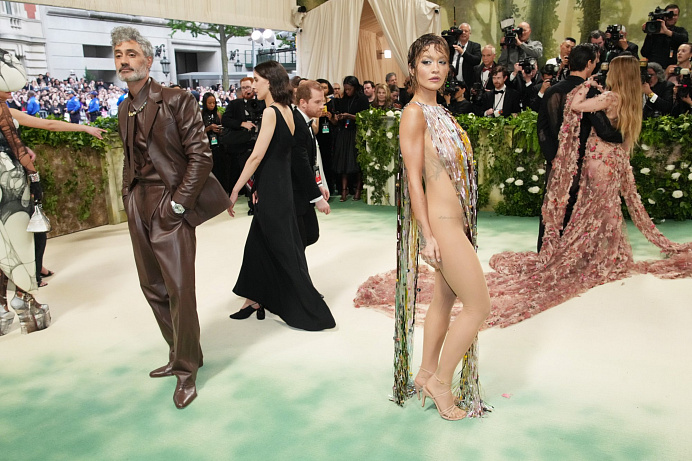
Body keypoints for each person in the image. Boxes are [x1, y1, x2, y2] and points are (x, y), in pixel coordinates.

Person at [486, 55, 692, 328]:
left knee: (594, 211)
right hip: (614, 161)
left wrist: (586, 87)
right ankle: (603, 255)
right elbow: (620, 137)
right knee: (606, 210)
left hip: (598, 161)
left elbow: (576, 105)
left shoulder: (610, 97)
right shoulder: (633, 99)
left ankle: (590, 256)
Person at [111, 26, 230, 409]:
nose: (124, 60)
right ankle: (181, 352)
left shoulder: (176, 99)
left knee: (179, 288)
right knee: (152, 286)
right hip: (138, 202)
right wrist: (128, 197)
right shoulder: (124, 107)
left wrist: (178, 204)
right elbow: (130, 158)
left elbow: (201, 156)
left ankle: (186, 371)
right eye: (118, 54)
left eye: (131, 53)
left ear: (148, 60)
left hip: (169, 201)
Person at [397, 33, 490, 420]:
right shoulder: (414, 113)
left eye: (441, 61)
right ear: (412, 68)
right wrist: (427, 234)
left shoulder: (442, 111)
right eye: (426, 61)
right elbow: (413, 179)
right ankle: (441, 382)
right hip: (441, 224)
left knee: (445, 300)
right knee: (479, 306)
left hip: (456, 222)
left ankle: (425, 373)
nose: (435, 69)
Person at [227, 60, 335, 332]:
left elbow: (257, 157)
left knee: (284, 250)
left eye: (257, 80)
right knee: (258, 245)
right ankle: (254, 299)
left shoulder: (271, 112)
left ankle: (309, 310)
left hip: (275, 191)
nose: (253, 85)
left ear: (270, 81)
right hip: (278, 188)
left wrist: (236, 188)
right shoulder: (287, 110)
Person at [536, 44, 623, 251]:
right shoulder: (588, 92)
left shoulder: (552, 90)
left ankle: (547, 252)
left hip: (556, 161)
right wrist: (622, 135)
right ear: (589, 63)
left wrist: (553, 157)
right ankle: (571, 256)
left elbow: (542, 129)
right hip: (582, 161)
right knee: (576, 207)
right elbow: (603, 129)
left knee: (553, 205)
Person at [9, 107, 106, 288]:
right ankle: (31, 272)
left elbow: (47, 125)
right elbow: (49, 125)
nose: (11, 93)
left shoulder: (8, 111)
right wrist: (85, 128)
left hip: (19, 175)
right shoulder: (7, 112)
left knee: (33, 223)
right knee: (28, 226)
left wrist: (23, 148)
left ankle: (35, 267)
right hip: (10, 180)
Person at [0, 49, 51, 336]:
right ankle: (26, 301)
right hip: (10, 183)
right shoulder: (2, 110)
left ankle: (2, 308)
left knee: (2, 246)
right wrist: (34, 180)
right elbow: (18, 149)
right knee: (24, 240)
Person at [292, 80, 331, 247]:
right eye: (317, 102)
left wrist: (319, 184)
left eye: (323, 101)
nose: (322, 106)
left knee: (310, 235)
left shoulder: (306, 121)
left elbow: (310, 160)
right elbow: (300, 164)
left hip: (304, 189)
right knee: (301, 238)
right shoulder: (296, 123)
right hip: (294, 192)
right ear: (303, 103)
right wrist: (317, 197)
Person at [220, 77, 265, 215]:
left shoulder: (262, 103)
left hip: (260, 144)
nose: (246, 90)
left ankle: (261, 203)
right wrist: (241, 124)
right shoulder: (235, 104)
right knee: (247, 176)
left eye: (248, 87)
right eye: (243, 88)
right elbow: (225, 120)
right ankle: (252, 204)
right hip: (242, 146)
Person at [332, 76, 369, 201]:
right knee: (343, 163)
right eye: (346, 89)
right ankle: (344, 190)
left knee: (356, 163)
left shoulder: (362, 99)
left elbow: (364, 117)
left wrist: (350, 116)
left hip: (357, 132)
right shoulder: (344, 99)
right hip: (345, 132)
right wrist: (339, 116)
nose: (347, 91)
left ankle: (358, 189)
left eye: (349, 89)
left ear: (355, 87)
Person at [641, 4, 689, 68]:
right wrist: (649, 32)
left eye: (674, 15)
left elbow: (684, 39)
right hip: (653, 69)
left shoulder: (680, 31)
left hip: (671, 69)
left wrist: (666, 32)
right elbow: (644, 52)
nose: (672, 17)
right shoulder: (654, 32)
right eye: (669, 15)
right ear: (664, 16)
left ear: (678, 16)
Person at [201, 92, 231, 193]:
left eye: (214, 103)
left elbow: (224, 129)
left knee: (220, 168)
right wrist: (209, 128)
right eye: (209, 103)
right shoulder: (200, 114)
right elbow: (198, 132)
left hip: (218, 145)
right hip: (206, 145)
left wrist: (220, 130)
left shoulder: (217, 114)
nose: (212, 105)